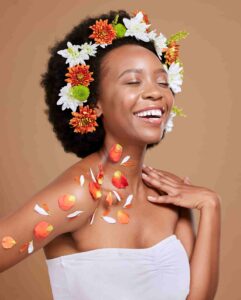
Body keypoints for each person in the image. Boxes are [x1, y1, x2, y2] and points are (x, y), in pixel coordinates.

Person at [0, 9, 221, 300]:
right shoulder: (77, 197)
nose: (155, 93)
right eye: (133, 81)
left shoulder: (172, 195)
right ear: (94, 105)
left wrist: (210, 206)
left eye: (163, 82)